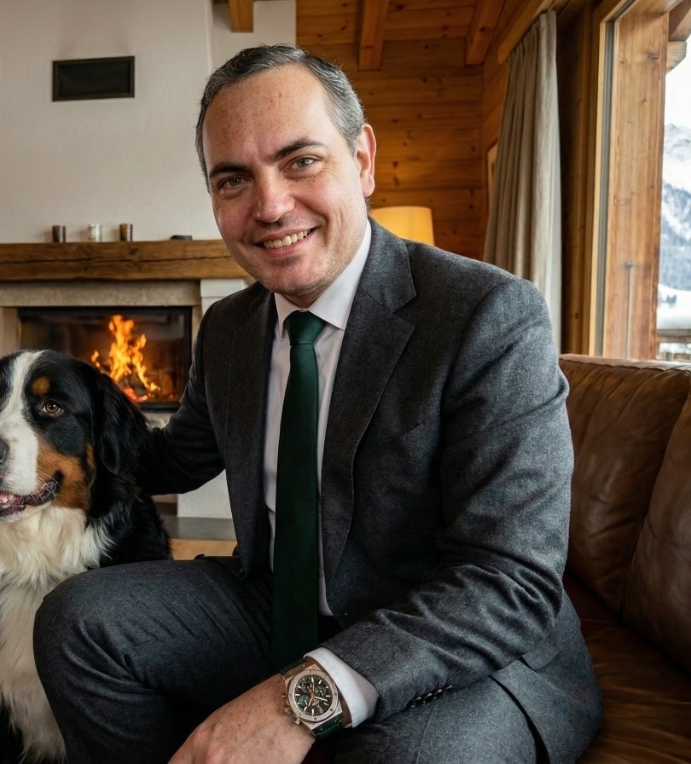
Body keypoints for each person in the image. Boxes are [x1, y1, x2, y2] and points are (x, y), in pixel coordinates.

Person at [34, 44, 603, 763]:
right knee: (77, 623)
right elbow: (172, 459)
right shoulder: (231, 328)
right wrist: (42, 432)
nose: (271, 207)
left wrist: (298, 701)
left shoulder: (487, 315)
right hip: (278, 605)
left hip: (456, 639)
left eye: (301, 161)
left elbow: (507, 580)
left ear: (361, 160)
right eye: (234, 179)